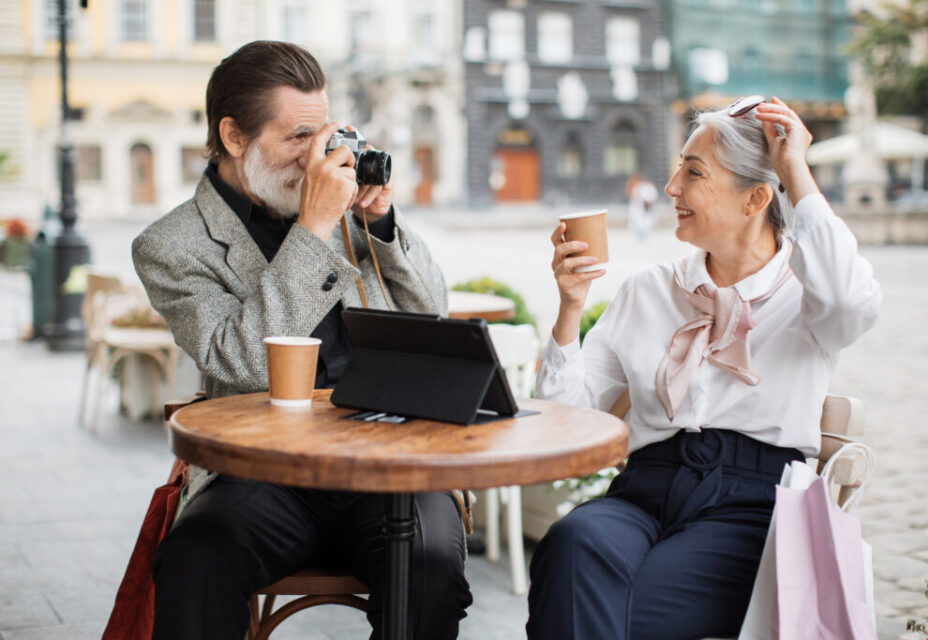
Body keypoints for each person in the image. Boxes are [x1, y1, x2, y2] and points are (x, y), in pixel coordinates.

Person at [131, 41, 471, 640]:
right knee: (195, 559)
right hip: (262, 469)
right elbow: (236, 363)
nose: (319, 155)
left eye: (325, 134)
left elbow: (431, 312)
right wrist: (313, 229)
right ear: (234, 137)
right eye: (297, 137)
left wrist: (383, 226)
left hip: (385, 456)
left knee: (431, 566)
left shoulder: (345, 203)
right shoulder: (173, 245)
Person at [527, 96, 881, 639]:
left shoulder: (810, 297)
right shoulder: (648, 290)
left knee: (615, 612)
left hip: (751, 509)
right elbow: (564, 418)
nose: (671, 189)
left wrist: (796, 171)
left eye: (693, 173)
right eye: (677, 170)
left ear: (756, 197)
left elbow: (853, 300)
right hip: (644, 491)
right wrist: (570, 307)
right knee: (570, 544)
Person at [627, 173, 658, 240]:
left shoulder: (646, 188)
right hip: (637, 223)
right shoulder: (637, 189)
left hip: (645, 222)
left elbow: (649, 201)